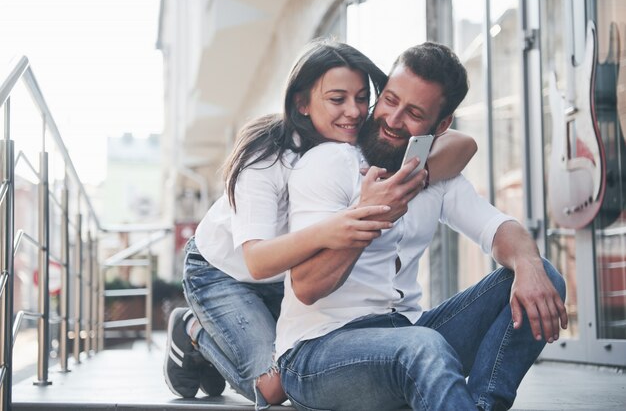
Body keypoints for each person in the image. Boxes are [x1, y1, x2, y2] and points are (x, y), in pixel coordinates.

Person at [163, 39, 478, 409]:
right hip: (225, 272)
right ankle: (191, 330)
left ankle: (224, 343)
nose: (354, 111)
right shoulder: (266, 157)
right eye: (337, 99)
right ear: (302, 102)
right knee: (274, 388)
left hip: (286, 275)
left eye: (362, 98)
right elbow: (257, 261)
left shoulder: (358, 136)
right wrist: (337, 227)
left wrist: (414, 176)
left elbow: (463, 144)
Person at [276, 42, 568, 411]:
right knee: (422, 347)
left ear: (441, 125)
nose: (394, 119)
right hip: (317, 354)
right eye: (390, 100)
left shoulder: (432, 173)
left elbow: (498, 228)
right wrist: (374, 214)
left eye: (414, 112)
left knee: (544, 275)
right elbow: (306, 286)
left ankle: (481, 405)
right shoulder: (331, 162)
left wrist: (528, 265)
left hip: (407, 332)